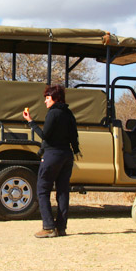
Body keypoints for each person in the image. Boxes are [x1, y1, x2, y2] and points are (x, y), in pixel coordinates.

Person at [23, 84, 80, 238]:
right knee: (63, 191)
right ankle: (61, 227)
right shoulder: (69, 113)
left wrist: (31, 122)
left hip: (52, 155)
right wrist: (76, 150)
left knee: (42, 189)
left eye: (47, 98)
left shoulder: (52, 114)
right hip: (67, 155)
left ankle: (48, 227)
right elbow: (74, 135)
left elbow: (45, 135)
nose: (45, 101)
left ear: (55, 98)